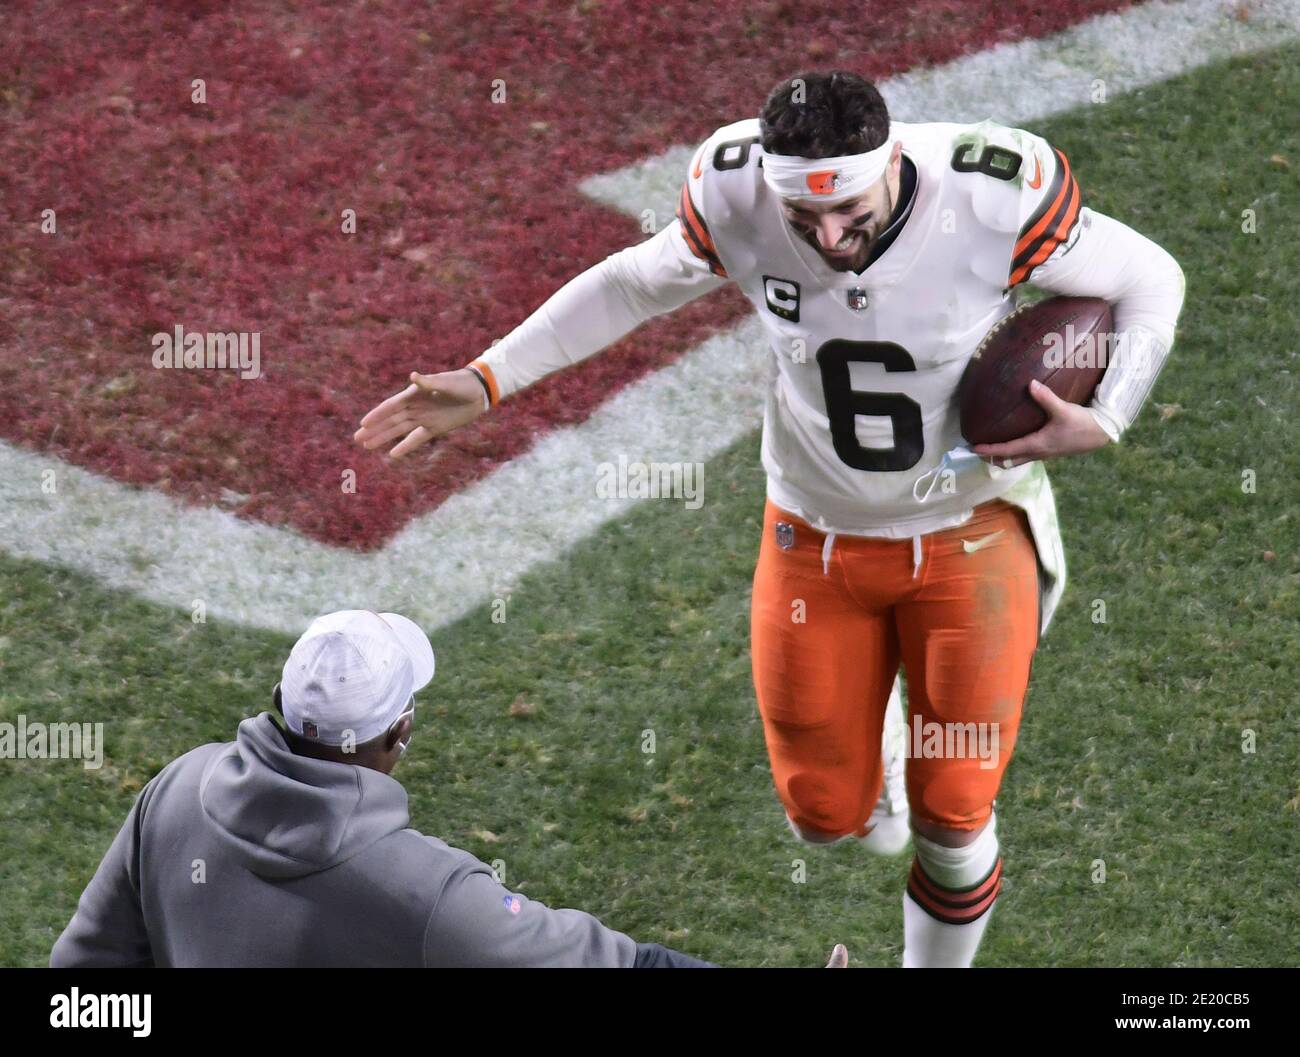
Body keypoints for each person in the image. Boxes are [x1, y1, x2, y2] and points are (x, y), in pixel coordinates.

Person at [353, 71, 1184, 967]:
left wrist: (1107, 415)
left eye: (849, 212)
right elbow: (634, 284)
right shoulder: (737, 190)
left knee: (954, 810)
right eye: (805, 219)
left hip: (969, 528)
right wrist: (487, 380)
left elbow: (1150, 277)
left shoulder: (991, 195)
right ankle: (884, 754)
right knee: (824, 816)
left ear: (894, 157)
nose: (830, 239)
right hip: (813, 534)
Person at [49, 610, 736, 967]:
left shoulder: (178, 785)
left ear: (277, 702)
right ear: (398, 733)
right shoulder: (431, 895)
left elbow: (85, 970)